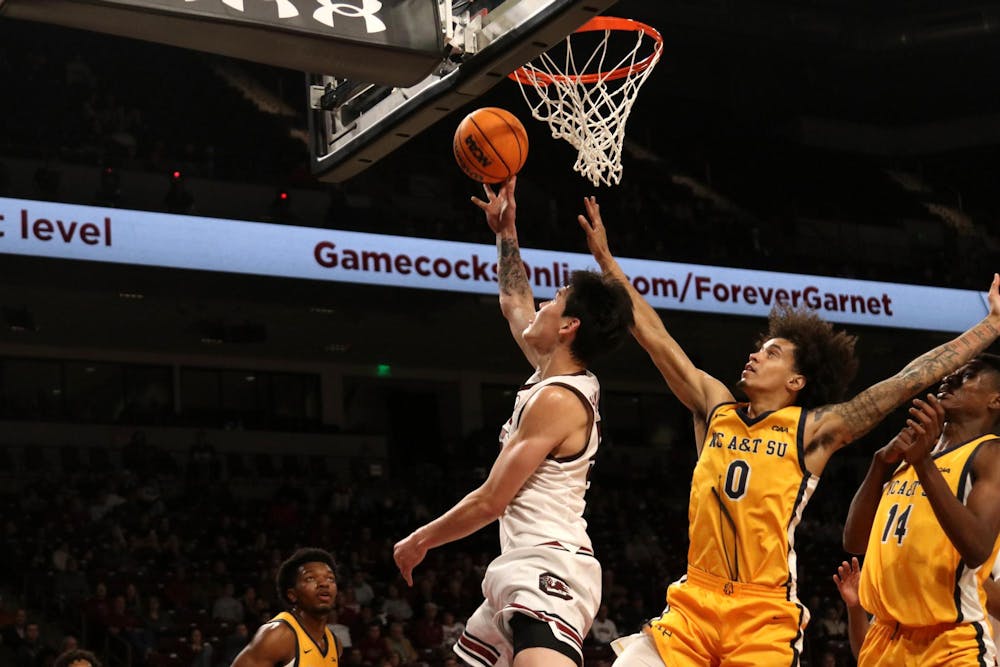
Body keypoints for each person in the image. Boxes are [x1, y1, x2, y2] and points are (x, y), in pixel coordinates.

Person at [576, 195, 1000, 666]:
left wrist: (990, 327)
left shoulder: (811, 431)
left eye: (772, 353)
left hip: (762, 614)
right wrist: (608, 264)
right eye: (760, 349)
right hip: (693, 602)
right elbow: (655, 337)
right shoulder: (715, 407)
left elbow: (907, 382)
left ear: (797, 382)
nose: (756, 355)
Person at [393, 177, 634, 667]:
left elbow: (490, 501)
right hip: (522, 566)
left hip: (550, 570)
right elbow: (513, 303)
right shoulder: (553, 373)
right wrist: (507, 231)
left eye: (554, 302)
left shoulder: (559, 400)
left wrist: (421, 539)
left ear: (569, 327)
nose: (541, 305)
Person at [841, 355, 1000, 665]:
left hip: (949, 641)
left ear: (996, 400)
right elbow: (853, 542)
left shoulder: (989, 454)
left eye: (967, 376)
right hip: (883, 638)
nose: (950, 378)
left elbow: (978, 548)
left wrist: (923, 463)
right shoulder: (908, 456)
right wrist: (879, 464)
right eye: (952, 372)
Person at [231, 547, 341, 666]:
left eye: (330, 578)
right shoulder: (278, 635)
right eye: (310, 578)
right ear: (292, 595)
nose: (324, 584)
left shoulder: (335, 644)